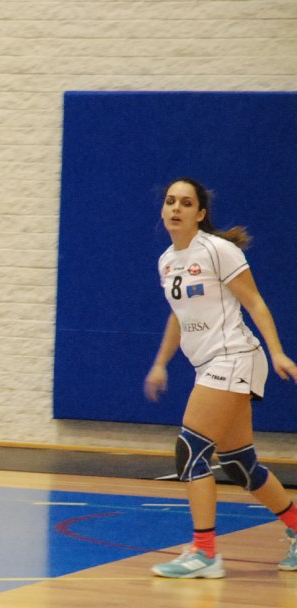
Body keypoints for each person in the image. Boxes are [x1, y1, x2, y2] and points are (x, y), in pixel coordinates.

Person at [143, 177, 297, 578]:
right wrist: (160, 363)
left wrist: (278, 351)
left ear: (200, 213)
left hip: (234, 358)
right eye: (170, 201)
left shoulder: (218, 250)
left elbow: (254, 302)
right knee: (239, 463)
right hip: (211, 364)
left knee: (190, 450)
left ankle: (205, 553)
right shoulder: (167, 260)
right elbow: (179, 316)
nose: (176, 208)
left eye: (186, 202)